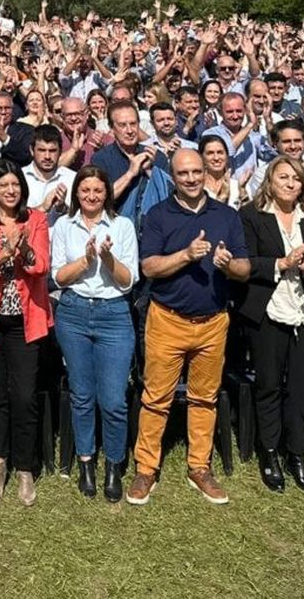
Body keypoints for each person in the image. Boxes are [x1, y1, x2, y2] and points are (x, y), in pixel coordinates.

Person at [127, 148, 249, 507]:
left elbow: (244, 269)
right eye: (184, 174)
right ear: (174, 177)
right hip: (168, 320)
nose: (192, 179)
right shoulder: (158, 215)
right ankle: (146, 468)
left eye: (197, 172)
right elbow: (148, 267)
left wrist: (228, 266)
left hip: (213, 322)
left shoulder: (226, 215)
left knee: (204, 398)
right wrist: (186, 255)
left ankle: (200, 466)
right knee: (156, 398)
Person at [238, 157, 304, 494]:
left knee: (303, 388)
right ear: (270, 180)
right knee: (268, 385)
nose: (291, 183)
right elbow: (245, 261)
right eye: (284, 177)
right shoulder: (251, 215)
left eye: (296, 178)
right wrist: (282, 262)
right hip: (269, 310)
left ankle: (297, 455)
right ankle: (270, 453)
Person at [0, 158, 52, 506]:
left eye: (15, 184)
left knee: (25, 396)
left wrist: (25, 247)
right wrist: (5, 250)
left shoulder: (37, 219)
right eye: (3, 186)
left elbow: (41, 266)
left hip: (25, 321)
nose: (11, 190)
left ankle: (25, 467)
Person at [50, 165, 137, 503]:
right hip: (73, 312)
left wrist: (107, 257)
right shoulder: (63, 226)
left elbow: (128, 280)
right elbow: (58, 277)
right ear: (77, 194)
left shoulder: (123, 225)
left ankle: (114, 463)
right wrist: (86, 261)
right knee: (82, 395)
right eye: (85, 190)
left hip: (113, 314)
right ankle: (86, 461)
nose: (91, 196)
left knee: (113, 399)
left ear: (107, 194)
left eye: (97, 191)